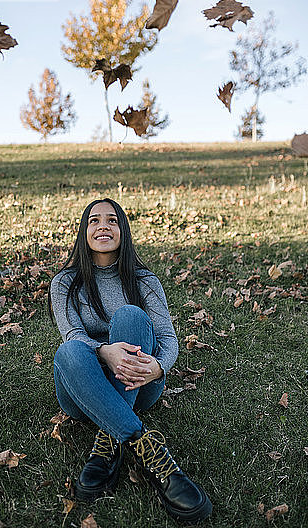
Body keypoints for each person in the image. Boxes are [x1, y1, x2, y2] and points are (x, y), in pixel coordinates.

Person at [48, 198, 212, 523]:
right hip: (84, 389)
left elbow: (167, 338)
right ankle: (146, 447)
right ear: (84, 232)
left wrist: (160, 367)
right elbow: (73, 337)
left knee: (131, 315)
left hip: (141, 384)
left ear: (123, 230)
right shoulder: (65, 283)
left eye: (112, 220)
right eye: (94, 221)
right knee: (69, 353)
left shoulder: (144, 280)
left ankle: (109, 437)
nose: (103, 226)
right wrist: (104, 352)